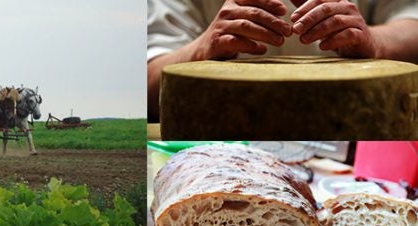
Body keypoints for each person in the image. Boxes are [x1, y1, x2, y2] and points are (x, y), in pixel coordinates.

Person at [147, 0, 418, 122]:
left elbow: (412, 24)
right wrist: (200, 48)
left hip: (356, 125)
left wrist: (373, 39)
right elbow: (150, 80)